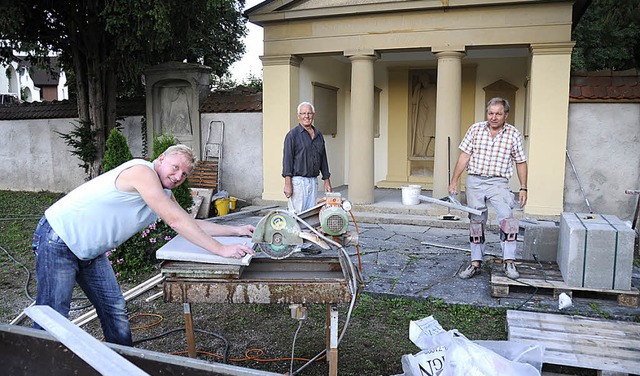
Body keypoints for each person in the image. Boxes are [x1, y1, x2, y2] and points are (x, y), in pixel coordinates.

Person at [31, 144, 255, 346]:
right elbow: (175, 221)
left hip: (89, 250)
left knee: (114, 309)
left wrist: (235, 231)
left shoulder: (163, 191)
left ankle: (122, 366)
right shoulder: (142, 172)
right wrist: (221, 250)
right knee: (54, 314)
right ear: (160, 159)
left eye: (184, 174)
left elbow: (189, 222)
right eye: (175, 167)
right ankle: (37, 367)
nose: (178, 176)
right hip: (58, 238)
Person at [448, 97, 528, 280]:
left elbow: (521, 162)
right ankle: (475, 262)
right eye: (491, 113)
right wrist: (454, 181)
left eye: (498, 114)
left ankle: (509, 261)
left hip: (498, 183)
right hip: (475, 181)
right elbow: (464, 156)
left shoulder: (513, 134)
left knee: (507, 218)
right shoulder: (475, 129)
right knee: (476, 222)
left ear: (505, 115)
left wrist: (524, 187)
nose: (493, 117)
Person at [282, 101, 332, 213]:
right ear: (298, 116)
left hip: (313, 181)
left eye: (309, 113)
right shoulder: (292, 135)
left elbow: (323, 159)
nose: (306, 116)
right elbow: (287, 161)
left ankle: (307, 231)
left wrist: (327, 180)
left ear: (313, 115)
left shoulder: (318, 135)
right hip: (298, 182)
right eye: (303, 113)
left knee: (310, 214)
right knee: (297, 214)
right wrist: (287, 184)